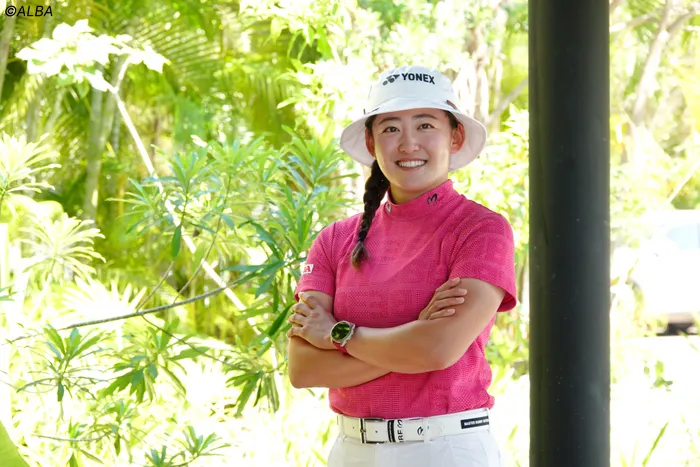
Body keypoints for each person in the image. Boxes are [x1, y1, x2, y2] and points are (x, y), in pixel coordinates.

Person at [286, 65, 517, 467]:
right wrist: (412, 343)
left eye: (425, 125)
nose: (409, 143)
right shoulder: (334, 240)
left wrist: (338, 333)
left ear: (455, 137)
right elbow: (304, 368)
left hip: (445, 450)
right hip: (352, 451)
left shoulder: (481, 230)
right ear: (371, 142)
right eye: (391, 128)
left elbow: (438, 349)